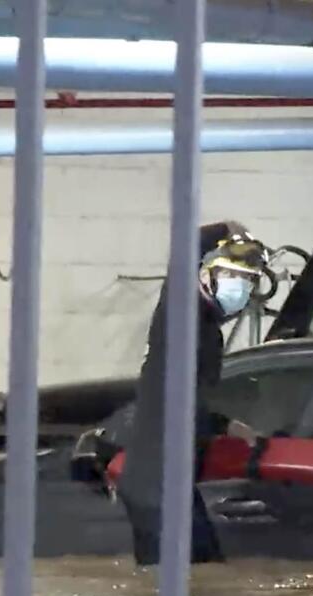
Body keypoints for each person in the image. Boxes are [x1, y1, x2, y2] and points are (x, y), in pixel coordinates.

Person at [116, 221, 267, 566]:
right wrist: (226, 228)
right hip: (155, 486)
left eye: (246, 281)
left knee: (203, 577)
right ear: (204, 276)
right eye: (232, 278)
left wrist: (227, 426)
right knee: (189, 581)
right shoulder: (179, 315)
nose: (240, 289)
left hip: (171, 482)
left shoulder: (208, 330)